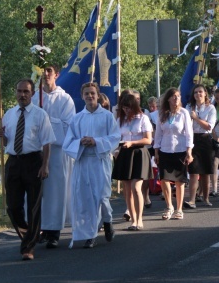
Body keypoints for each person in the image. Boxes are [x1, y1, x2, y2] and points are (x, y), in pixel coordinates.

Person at [0, 79, 55, 260]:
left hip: (33, 162)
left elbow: (47, 142)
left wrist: (45, 165)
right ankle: (29, 233)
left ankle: (28, 248)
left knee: (33, 206)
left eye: (26, 92)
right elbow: (7, 141)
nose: (22, 95)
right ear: (15, 92)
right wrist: (1, 136)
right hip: (14, 162)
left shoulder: (40, 115)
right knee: (13, 207)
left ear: (31, 94)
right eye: (19, 91)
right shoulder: (9, 114)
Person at [63, 82, 120, 248]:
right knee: (87, 199)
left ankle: (108, 220)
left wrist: (96, 141)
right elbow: (68, 143)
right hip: (83, 161)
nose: (89, 96)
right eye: (86, 94)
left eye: (92, 93)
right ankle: (91, 234)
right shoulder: (77, 118)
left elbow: (115, 137)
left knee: (102, 197)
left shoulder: (107, 116)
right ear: (82, 96)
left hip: (99, 161)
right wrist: (80, 142)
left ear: (98, 95)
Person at [32, 64, 75, 249]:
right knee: (39, 192)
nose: (46, 74)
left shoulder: (65, 99)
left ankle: (54, 231)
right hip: (37, 151)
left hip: (57, 152)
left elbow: (68, 125)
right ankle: (40, 228)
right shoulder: (34, 96)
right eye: (44, 70)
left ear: (57, 74)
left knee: (56, 192)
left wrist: (46, 121)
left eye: (50, 70)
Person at [111, 93, 152, 231]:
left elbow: (148, 140)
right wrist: (115, 150)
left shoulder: (143, 118)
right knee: (127, 190)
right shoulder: (120, 120)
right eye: (124, 108)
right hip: (124, 154)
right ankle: (133, 220)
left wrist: (132, 143)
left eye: (129, 108)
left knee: (136, 187)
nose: (126, 110)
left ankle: (140, 220)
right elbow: (116, 138)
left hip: (139, 153)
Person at [153, 88, 194, 220]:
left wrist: (189, 151)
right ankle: (169, 206)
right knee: (164, 179)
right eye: (173, 97)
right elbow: (158, 134)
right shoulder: (162, 114)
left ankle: (179, 209)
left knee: (179, 181)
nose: (176, 99)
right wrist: (156, 152)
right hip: (165, 150)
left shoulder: (184, 113)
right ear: (168, 99)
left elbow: (189, 134)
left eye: (178, 96)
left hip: (180, 150)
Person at [184, 84, 216, 208]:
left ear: (205, 93)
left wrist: (196, 118)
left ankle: (206, 198)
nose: (198, 94)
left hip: (205, 139)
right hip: (192, 139)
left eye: (200, 92)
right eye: (196, 92)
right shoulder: (188, 107)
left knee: (205, 172)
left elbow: (209, 126)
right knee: (193, 171)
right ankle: (192, 200)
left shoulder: (210, 108)